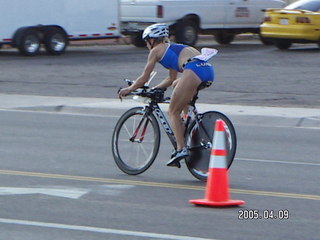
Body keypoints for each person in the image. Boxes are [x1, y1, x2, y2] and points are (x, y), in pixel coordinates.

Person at [119, 23, 215, 168]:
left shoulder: (156, 51)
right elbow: (170, 79)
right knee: (177, 84)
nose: (146, 44)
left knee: (172, 111)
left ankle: (180, 149)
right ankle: (186, 124)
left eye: (146, 41)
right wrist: (154, 88)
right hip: (207, 71)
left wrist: (129, 89)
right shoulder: (172, 48)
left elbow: (144, 77)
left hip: (193, 70)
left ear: (152, 40)